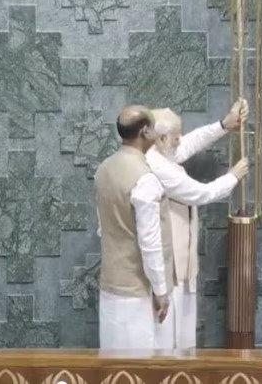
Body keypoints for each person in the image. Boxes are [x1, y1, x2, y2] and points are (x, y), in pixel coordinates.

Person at [148, 99, 249, 349]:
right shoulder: (158, 166)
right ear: (161, 139)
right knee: (167, 337)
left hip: (177, 256)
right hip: (168, 261)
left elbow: (189, 143)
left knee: (179, 332)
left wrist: (224, 125)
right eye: (175, 136)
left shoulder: (160, 152)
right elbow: (201, 194)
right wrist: (233, 177)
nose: (179, 140)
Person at [94, 105, 174, 349]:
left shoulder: (103, 169)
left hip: (110, 287)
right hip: (137, 294)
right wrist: (160, 291)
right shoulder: (144, 179)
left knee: (112, 361)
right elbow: (150, 243)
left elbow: (103, 228)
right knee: (137, 365)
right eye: (153, 128)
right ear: (144, 131)